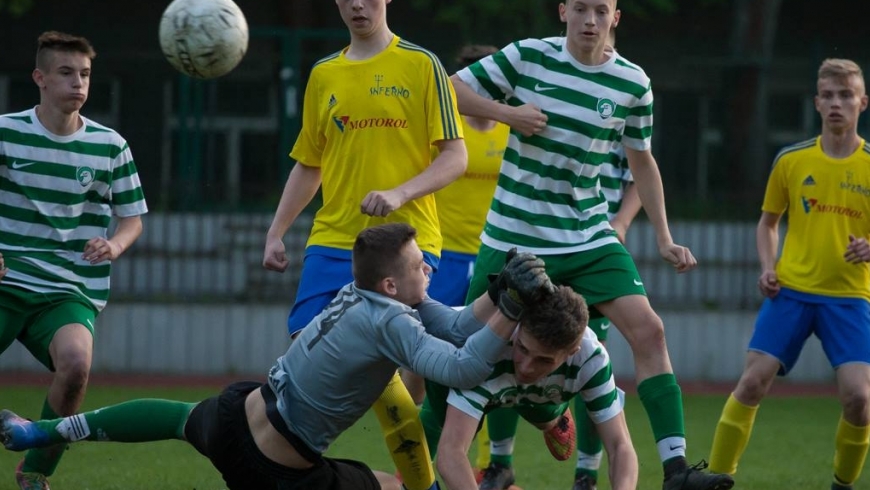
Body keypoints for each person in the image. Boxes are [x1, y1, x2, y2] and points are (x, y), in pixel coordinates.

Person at [0, 222, 555, 490]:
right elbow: (461, 367)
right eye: (419, 266)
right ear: (391, 282)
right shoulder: (388, 319)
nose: (428, 270)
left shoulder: (360, 295)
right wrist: (508, 309)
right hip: (277, 472)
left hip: (240, 415)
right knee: (400, 489)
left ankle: (40, 433)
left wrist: (499, 291)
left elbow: (456, 324)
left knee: (175, 418)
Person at [447, 0, 734, 488]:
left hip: (587, 235)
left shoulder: (632, 82)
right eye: (580, 8)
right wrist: (507, 113)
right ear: (563, 11)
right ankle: (484, 461)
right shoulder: (527, 56)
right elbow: (449, 90)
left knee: (650, 332)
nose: (590, 20)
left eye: (601, 11)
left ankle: (677, 470)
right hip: (516, 235)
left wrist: (664, 237)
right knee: (473, 351)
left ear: (615, 18)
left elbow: (641, 162)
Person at [262, 1, 467, 488]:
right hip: (335, 241)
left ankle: (431, 477)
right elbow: (310, 162)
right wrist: (277, 230)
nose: (358, 4)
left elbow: (455, 158)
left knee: (403, 376)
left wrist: (400, 193)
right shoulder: (324, 73)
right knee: (309, 345)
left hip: (406, 244)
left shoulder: (421, 65)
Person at [708, 58, 870, 490]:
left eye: (846, 95)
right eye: (829, 96)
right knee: (752, 382)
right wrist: (767, 267)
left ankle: (843, 483)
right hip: (792, 292)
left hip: (851, 298)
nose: (837, 103)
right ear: (817, 102)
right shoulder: (792, 160)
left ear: (862, 102)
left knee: (859, 399)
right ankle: (718, 479)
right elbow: (768, 223)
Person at [0, 31, 148, 490]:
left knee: (77, 365)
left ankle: (37, 472)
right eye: (66, 73)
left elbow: (132, 220)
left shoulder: (109, 145)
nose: (78, 83)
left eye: (84, 74)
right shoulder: (6, 132)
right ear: (40, 78)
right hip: (7, 281)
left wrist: (116, 245)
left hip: (68, 288)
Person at [420, 285, 638, 490]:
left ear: (572, 352)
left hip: (536, 391)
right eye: (523, 348)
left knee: (545, 416)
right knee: (439, 427)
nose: (526, 367)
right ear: (518, 326)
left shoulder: (592, 359)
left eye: (544, 360)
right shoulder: (484, 345)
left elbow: (620, 446)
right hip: (472, 367)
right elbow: (451, 454)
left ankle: (554, 415)